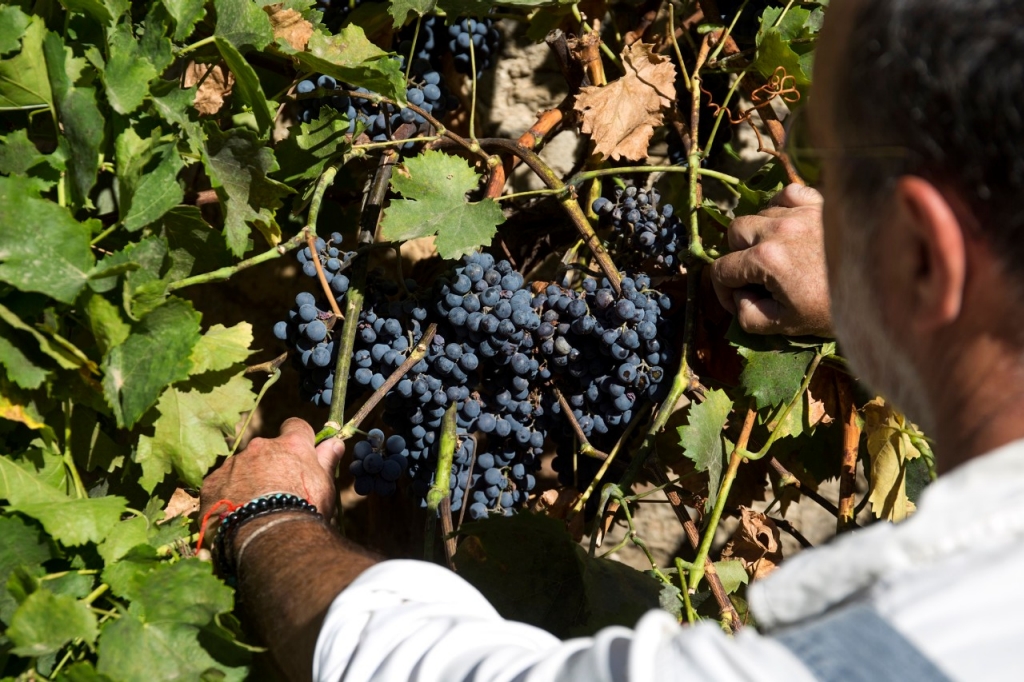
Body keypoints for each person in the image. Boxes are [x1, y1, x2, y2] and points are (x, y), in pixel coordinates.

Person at [200, 1, 1024, 679]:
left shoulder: (894, 653)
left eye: (832, 182)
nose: (807, 206)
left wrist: (269, 521)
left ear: (923, 254)